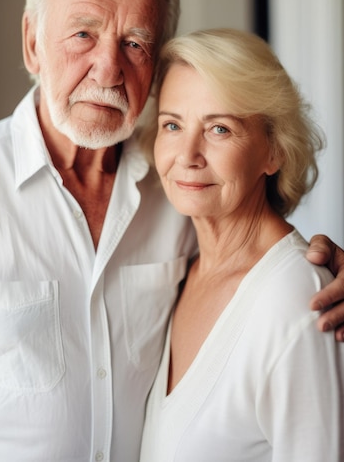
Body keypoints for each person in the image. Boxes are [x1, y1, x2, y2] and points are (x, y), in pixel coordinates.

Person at [0, 0, 342, 462]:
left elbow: (263, 279)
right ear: (33, 43)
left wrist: (318, 273)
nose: (108, 68)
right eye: (83, 34)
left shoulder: (177, 195)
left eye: (135, 44)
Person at [139, 28, 344, 462]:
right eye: (172, 124)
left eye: (219, 129)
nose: (188, 154)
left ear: (274, 151)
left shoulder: (297, 300)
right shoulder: (180, 267)